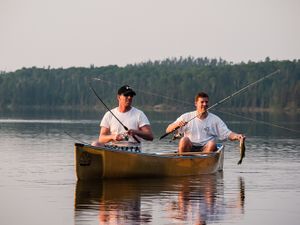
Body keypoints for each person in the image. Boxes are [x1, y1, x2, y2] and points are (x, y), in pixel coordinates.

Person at [166, 92, 245, 154]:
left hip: (206, 149)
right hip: (190, 148)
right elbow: (168, 130)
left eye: (206, 102)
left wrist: (238, 136)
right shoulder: (186, 116)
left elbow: (228, 134)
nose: (205, 104)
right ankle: (182, 163)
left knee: (212, 143)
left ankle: (203, 163)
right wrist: (177, 124)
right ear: (196, 104)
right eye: (202, 102)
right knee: (184, 140)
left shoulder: (215, 119)